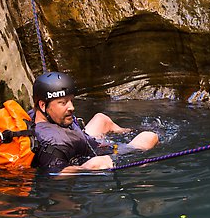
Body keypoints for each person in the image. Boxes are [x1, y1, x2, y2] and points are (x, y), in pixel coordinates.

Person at [28, 71, 159, 174]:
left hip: (85, 143)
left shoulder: (36, 116)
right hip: (98, 155)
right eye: (63, 103)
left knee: (101, 119)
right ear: (43, 105)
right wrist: (91, 166)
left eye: (71, 101)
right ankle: (132, 141)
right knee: (149, 136)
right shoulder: (53, 143)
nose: (71, 107)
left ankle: (127, 132)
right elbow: (58, 173)